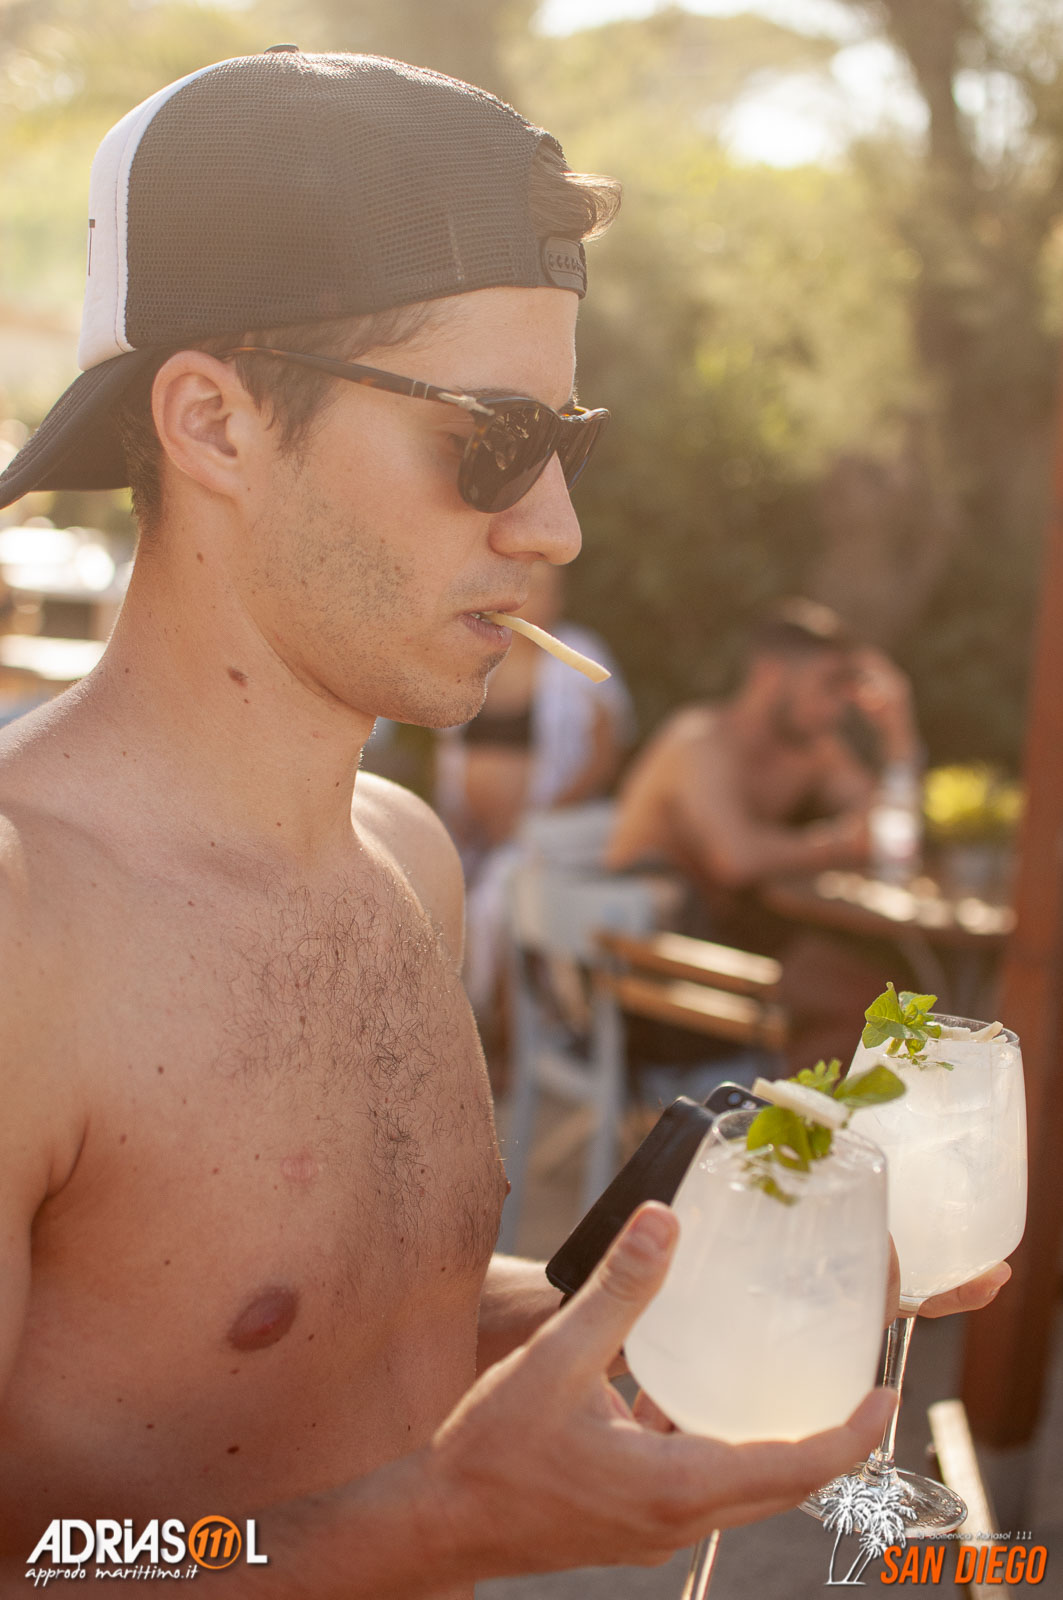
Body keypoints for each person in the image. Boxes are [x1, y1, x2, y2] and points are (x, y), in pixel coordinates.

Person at [0, 50, 1005, 1596]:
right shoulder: (26, 927)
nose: (555, 525)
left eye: (563, 442)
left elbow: (348, 1334)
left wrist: (709, 1291)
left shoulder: (404, 856)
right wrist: (439, 1526)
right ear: (213, 424)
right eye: (487, 438)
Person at [606, 599, 923, 1068]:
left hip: (739, 952)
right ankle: (778, 1107)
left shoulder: (810, 750)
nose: (838, 707)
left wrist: (898, 730)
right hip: (655, 976)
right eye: (828, 685)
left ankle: (786, 1106)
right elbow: (736, 860)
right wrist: (840, 844)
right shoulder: (699, 740)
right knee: (874, 1012)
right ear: (771, 675)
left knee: (894, 999)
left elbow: (890, 825)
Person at [435, 558, 632, 1019]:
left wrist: (540, 818)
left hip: (546, 836)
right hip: (472, 834)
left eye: (552, 589)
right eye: (533, 588)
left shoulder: (579, 653)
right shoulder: (476, 654)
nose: (545, 600)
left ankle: (490, 1023)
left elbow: (606, 754)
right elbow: (450, 752)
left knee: (493, 906)